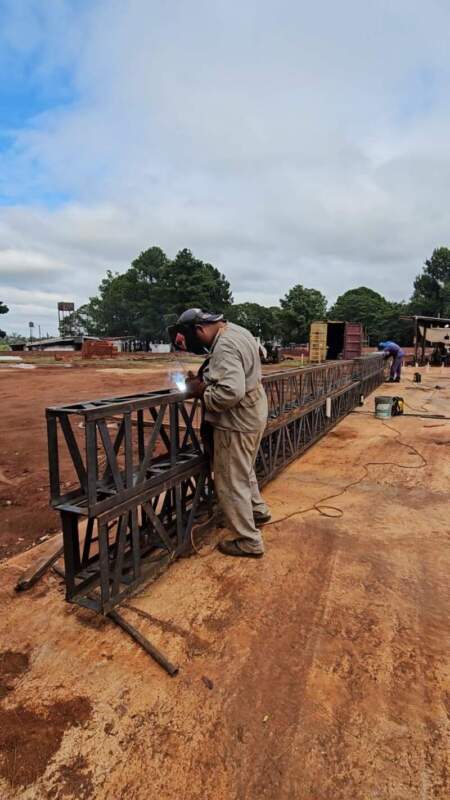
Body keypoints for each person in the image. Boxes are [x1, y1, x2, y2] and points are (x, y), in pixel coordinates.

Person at [170, 308, 271, 559]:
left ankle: (248, 540)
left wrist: (201, 391)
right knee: (243, 469)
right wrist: (206, 379)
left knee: (229, 480)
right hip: (254, 412)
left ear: (200, 329)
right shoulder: (237, 330)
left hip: (236, 421)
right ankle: (257, 511)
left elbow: (230, 392)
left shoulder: (224, 346)